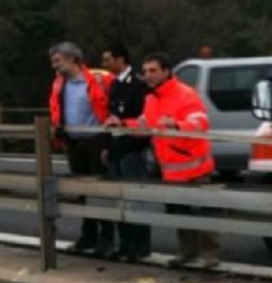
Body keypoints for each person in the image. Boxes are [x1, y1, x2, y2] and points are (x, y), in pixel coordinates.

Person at [106, 53, 219, 269]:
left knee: (203, 213)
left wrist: (176, 126)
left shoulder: (185, 94)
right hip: (172, 169)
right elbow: (145, 126)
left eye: (153, 70)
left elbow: (200, 122)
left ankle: (209, 256)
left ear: (166, 71)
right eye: (146, 71)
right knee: (180, 213)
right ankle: (187, 253)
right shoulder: (152, 98)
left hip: (194, 165)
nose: (148, 75)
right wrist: (121, 124)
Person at [48, 42, 116, 256]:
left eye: (58, 60)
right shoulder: (60, 83)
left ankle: (106, 237)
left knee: (99, 192)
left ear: (72, 59)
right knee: (81, 193)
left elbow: (110, 105)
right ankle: (88, 236)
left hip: (95, 140)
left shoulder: (98, 79)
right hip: (74, 143)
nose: (54, 66)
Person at [101, 44, 151, 262]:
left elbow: (142, 119)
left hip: (132, 148)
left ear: (120, 60)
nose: (105, 65)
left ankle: (139, 246)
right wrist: (107, 146)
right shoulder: (114, 84)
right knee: (119, 200)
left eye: (108, 60)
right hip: (116, 148)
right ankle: (125, 244)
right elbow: (110, 117)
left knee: (136, 199)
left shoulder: (137, 85)